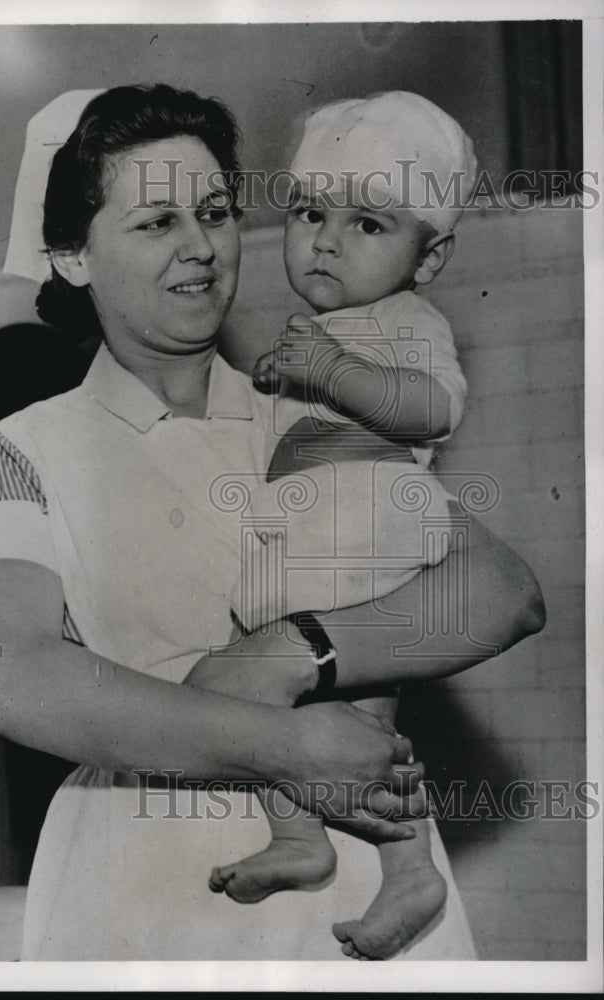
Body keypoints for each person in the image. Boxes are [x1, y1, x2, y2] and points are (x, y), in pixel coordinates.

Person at [0, 84, 544, 961]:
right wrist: (287, 742)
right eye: (157, 222)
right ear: (73, 255)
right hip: (147, 877)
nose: (200, 247)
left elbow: (504, 594)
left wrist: (297, 649)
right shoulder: (26, 449)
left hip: (358, 870)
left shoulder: (312, 407)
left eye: (217, 211)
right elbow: (10, 678)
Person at [188, 92, 483, 960]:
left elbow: (430, 409)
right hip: (293, 548)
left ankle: (409, 866)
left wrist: (335, 372)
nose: (325, 238)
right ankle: (300, 837)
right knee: (265, 704)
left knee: (359, 725)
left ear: (430, 260)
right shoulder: (309, 334)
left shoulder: (407, 322)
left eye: (368, 224)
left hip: (366, 539)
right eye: (311, 212)